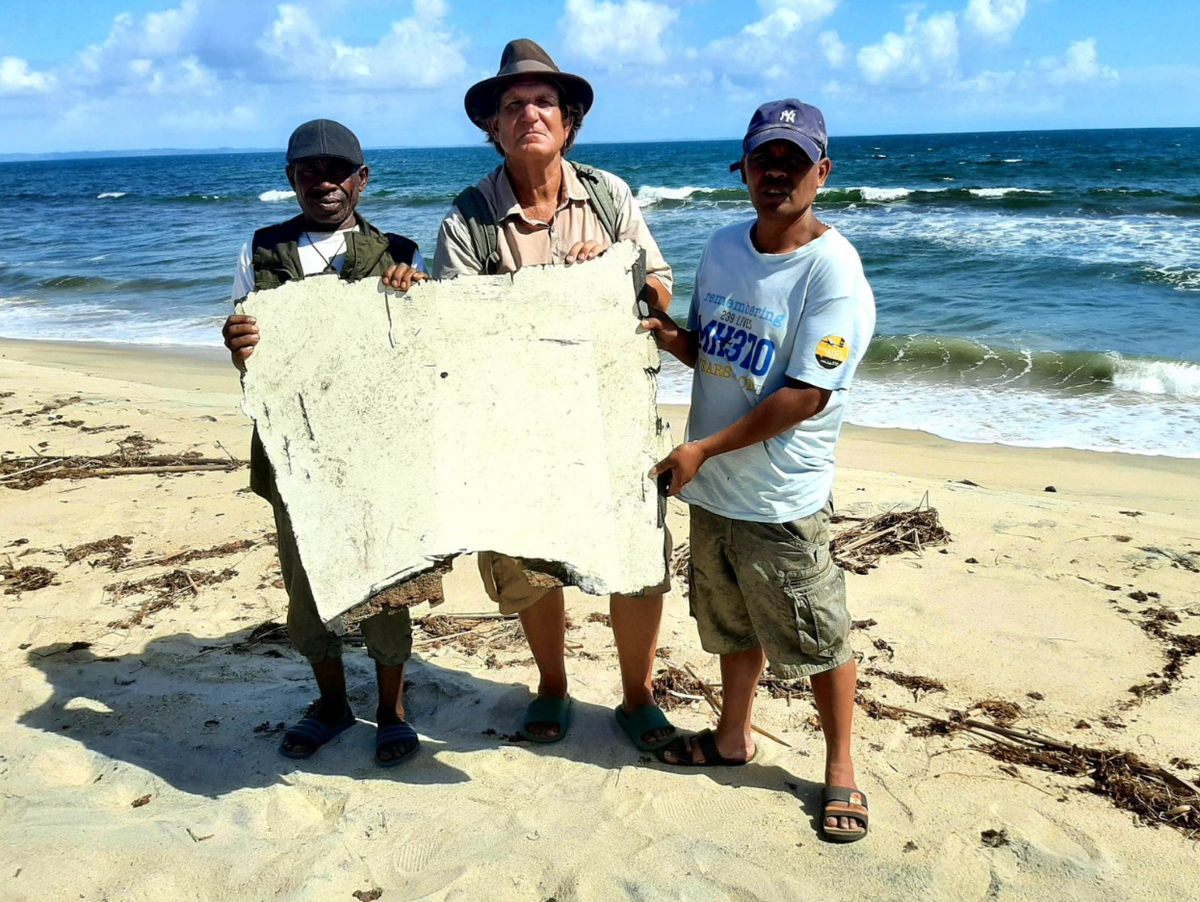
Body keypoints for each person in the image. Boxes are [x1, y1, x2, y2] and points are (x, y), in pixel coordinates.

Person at [388, 39, 677, 750]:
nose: (529, 115)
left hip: (610, 414)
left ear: (568, 119)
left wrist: (612, 271)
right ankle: (552, 684)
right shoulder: (468, 218)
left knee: (635, 559)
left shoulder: (609, 197)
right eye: (512, 106)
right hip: (513, 424)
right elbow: (457, 330)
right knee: (524, 561)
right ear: (492, 127)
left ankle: (638, 695)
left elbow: (661, 289)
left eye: (543, 102)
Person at [643, 99, 876, 842]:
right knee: (730, 624)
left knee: (818, 636)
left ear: (823, 172)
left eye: (794, 160)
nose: (776, 173)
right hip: (712, 490)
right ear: (742, 168)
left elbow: (805, 394)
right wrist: (667, 334)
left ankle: (841, 769)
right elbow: (716, 347)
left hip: (780, 497)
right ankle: (732, 736)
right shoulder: (720, 247)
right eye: (763, 159)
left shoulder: (833, 271)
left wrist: (702, 449)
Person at [222, 119, 428, 767]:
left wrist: (414, 297)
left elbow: (422, 354)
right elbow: (245, 348)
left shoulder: (399, 250)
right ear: (291, 180)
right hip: (293, 450)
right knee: (305, 583)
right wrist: (237, 346)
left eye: (339, 171)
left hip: (374, 448)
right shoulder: (260, 250)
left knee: (386, 579)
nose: (324, 182)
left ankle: (391, 708)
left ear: (362, 179)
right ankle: (333, 702)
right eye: (308, 172)